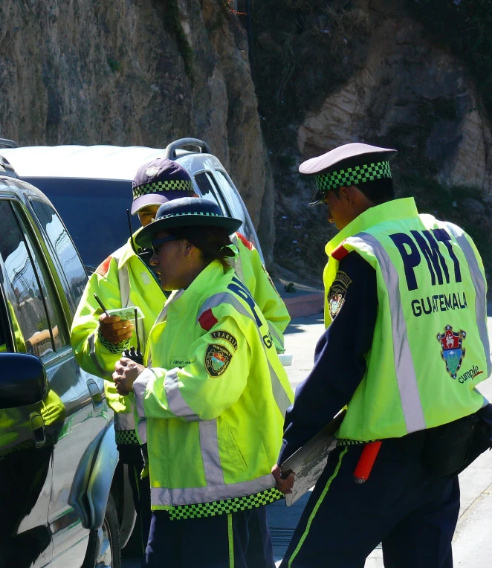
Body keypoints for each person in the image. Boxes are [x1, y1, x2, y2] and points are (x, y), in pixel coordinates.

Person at [277, 143, 492, 567]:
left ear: (348, 194)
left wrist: (293, 443)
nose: (328, 217)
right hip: (447, 447)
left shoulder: (366, 254)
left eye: (328, 203)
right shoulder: (454, 238)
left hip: (377, 455)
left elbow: (338, 365)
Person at [70, 158, 291, 563]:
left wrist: (144, 380)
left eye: (162, 226)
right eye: (146, 218)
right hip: (172, 470)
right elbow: (87, 344)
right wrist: (110, 346)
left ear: (189, 243)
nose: (152, 253)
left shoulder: (224, 298)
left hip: (221, 480)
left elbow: (206, 388)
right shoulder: (126, 274)